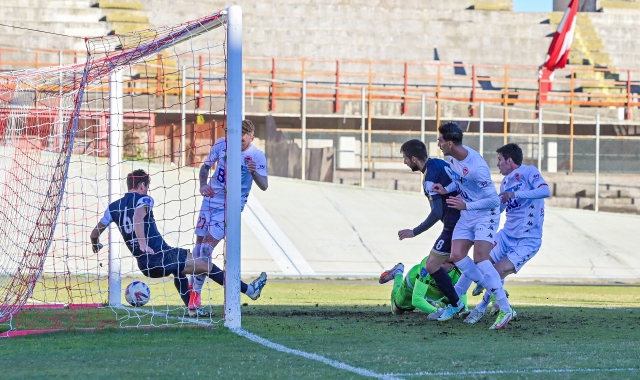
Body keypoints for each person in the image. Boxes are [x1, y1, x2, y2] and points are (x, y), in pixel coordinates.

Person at [89, 169, 267, 317]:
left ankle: (192, 307)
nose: (147, 190)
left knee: (181, 269)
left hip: (145, 263)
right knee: (206, 266)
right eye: (147, 187)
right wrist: (142, 243)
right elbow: (138, 216)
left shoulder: (113, 207)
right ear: (142, 186)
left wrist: (95, 243)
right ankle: (250, 291)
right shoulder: (144, 199)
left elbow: (94, 233)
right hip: (158, 255)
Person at [463, 143, 550, 326]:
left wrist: (514, 194)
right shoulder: (505, 182)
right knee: (479, 260)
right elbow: (501, 208)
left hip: (527, 240)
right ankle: (474, 292)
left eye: (499, 160)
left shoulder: (529, 171)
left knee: (496, 271)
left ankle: (481, 308)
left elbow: (545, 191)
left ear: (509, 160)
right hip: (506, 235)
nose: (498, 164)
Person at [431, 122, 508, 329]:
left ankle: (506, 309)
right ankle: (487, 284)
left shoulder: (478, 167)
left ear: (449, 143)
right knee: (456, 256)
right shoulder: (452, 158)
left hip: (485, 214)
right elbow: (459, 181)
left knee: (481, 259)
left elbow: (494, 200)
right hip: (468, 212)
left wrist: (466, 204)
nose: (437, 144)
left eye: (439, 140)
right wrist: (446, 189)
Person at [190, 120, 268, 316]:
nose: (237, 143)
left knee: (206, 249)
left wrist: (253, 172)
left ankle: (194, 297)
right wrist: (202, 184)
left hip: (230, 207)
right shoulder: (222, 143)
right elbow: (205, 168)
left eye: (241, 141)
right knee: (198, 249)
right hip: (210, 200)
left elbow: (264, 185)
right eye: (234, 139)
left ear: (251, 137)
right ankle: (248, 290)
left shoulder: (256, 156)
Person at [383, 139, 462, 319]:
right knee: (467, 261)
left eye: (405, 158)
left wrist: (414, 231)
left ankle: (456, 304)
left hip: (456, 224)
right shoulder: (439, 164)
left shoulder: (430, 179)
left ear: (414, 158)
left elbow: (436, 212)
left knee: (433, 264)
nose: (404, 162)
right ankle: (490, 298)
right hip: (469, 218)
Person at [379, 257, 467, 317]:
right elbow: (416, 299)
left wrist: (464, 313)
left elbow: (462, 300)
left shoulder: (460, 272)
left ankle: (433, 303)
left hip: (440, 292)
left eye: (443, 262)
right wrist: (438, 311)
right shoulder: (428, 264)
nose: (438, 264)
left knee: (454, 302)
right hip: (414, 285)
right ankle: (398, 272)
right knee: (396, 311)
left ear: (453, 265)